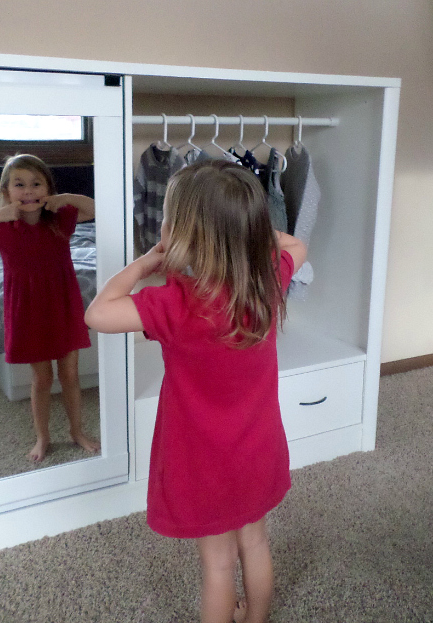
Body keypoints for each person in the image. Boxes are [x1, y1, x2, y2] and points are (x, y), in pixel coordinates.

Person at [85, 160, 307, 623]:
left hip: (204, 461)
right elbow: (297, 245)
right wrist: (250, 237)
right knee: (256, 541)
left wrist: (147, 260)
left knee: (218, 564)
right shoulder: (266, 279)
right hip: (258, 447)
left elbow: (98, 313)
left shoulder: (176, 302)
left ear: (182, 234)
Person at [0, 154, 100, 463]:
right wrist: (1, 213)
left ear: (47, 189)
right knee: (41, 379)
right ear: (7, 191)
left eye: (36, 184)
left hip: (63, 305)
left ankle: (77, 431)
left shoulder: (61, 221)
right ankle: (43, 436)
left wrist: (64, 198)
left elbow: (93, 209)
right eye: (19, 185)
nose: (28, 191)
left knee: (70, 374)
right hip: (28, 310)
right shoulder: (3, 229)